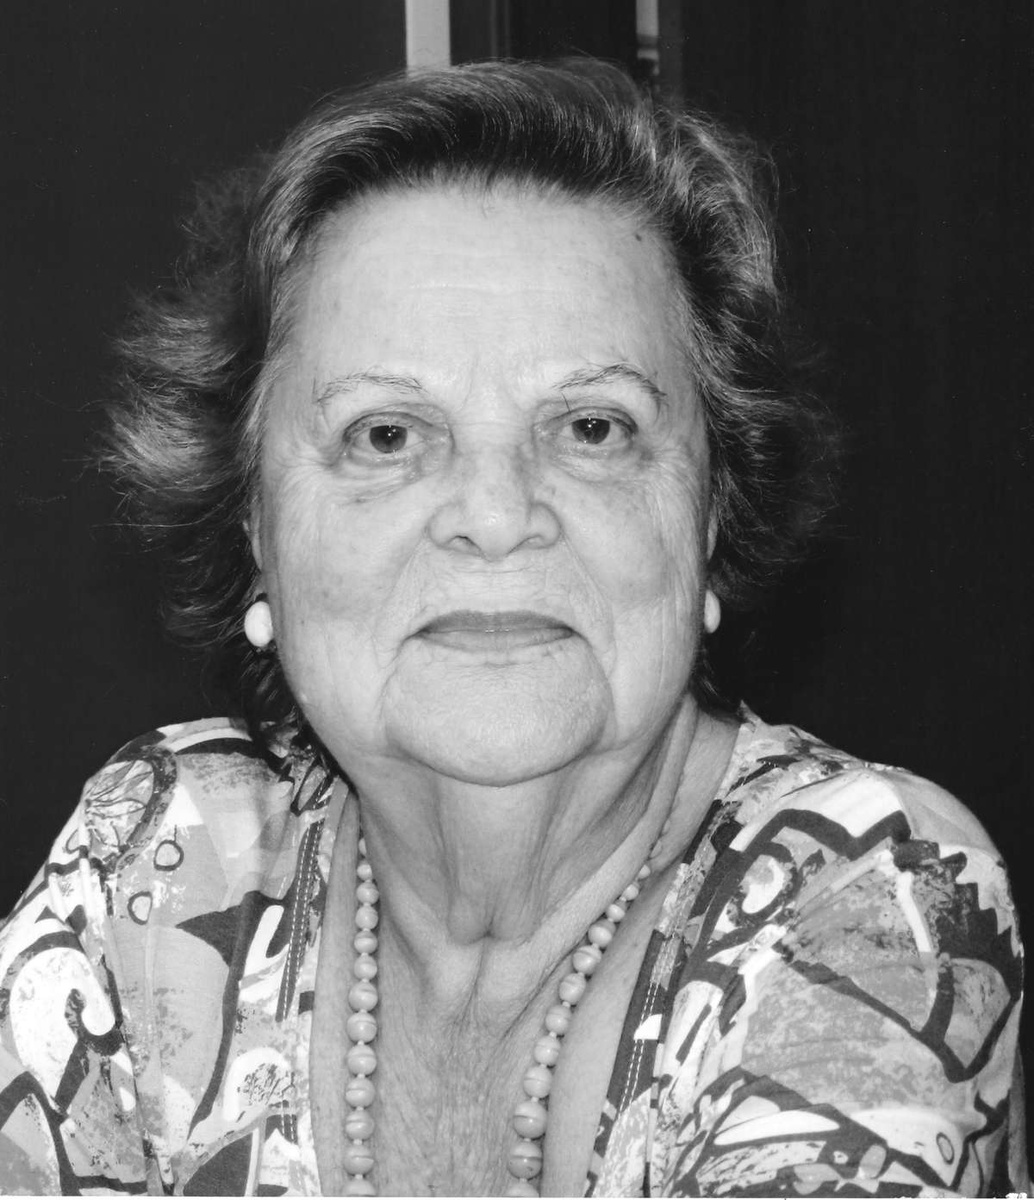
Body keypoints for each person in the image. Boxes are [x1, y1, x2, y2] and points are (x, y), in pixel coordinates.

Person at [0, 59, 1025, 1197]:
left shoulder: (870, 895)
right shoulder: (165, 856)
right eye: (386, 436)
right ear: (255, 528)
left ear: (709, 513)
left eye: (591, 428)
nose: (494, 517)